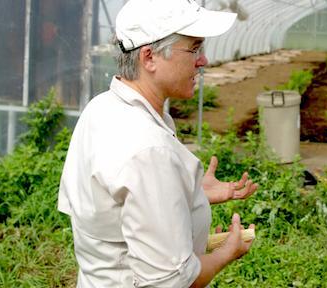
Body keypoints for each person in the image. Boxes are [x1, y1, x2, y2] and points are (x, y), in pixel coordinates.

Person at [58, 0, 258, 287]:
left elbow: (115, 206)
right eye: (194, 48)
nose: (204, 61)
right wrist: (228, 252)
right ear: (149, 57)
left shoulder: (102, 108)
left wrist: (188, 191)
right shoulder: (148, 149)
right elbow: (170, 281)